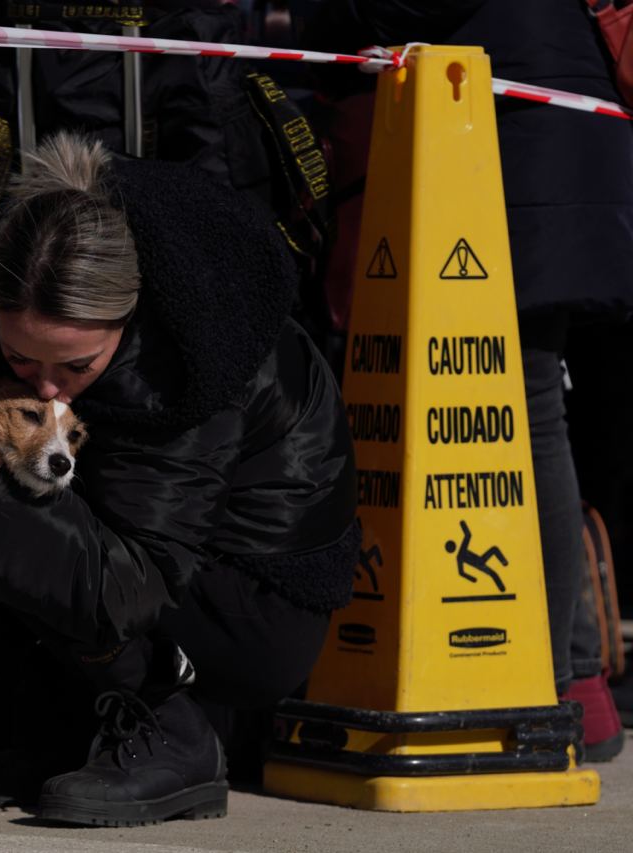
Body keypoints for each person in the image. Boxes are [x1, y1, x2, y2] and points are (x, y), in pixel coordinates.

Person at [0, 133, 360, 825]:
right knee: (0, 488)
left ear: (129, 316)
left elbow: (130, 582)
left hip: (251, 603)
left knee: (7, 498)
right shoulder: (22, 259)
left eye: (78, 366)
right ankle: (70, 729)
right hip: (147, 542)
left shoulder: (185, 367)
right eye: (20, 358)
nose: (53, 387)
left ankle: (173, 734)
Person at [305, 0, 633, 762]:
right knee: (530, 406)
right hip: (534, 124)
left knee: (524, 403)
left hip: (510, 137)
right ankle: (575, 679)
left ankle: (554, 684)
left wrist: (321, 20)